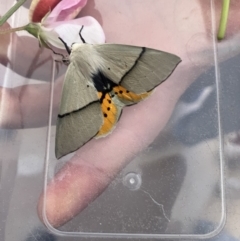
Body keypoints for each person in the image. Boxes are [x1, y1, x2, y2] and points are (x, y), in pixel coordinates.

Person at [0, 0, 240, 229]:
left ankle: (186, 123)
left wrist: (220, 18)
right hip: (117, 59)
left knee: (199, 108)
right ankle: (182, 121)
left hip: (212, 65)